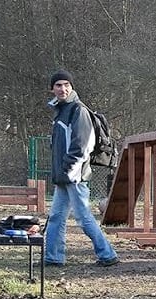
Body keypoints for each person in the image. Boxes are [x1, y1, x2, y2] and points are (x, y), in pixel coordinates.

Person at [44, 69, 119, 267]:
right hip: (64, 176)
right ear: (52, 89)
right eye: (58, 85)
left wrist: (70, 170)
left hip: (75, 176)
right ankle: (53, 258)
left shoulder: (78, 110)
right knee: (56, 218)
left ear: (72, 86)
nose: (63, 89)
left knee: (84, 218)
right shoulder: (60, 111)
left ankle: (107, 254)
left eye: (66, 85)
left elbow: (83, 145)